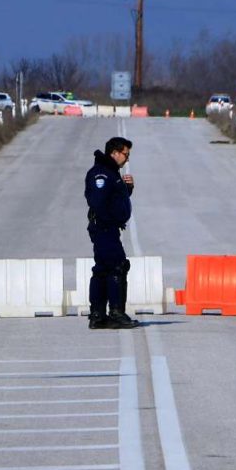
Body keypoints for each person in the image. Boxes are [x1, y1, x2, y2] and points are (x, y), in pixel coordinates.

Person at [85, 137, 140, 330]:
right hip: (104, 228)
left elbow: (114, 199)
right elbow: (99, 203)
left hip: (108, 228)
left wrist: (127, 189)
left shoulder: (111, 173)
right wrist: (110, 222)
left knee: (103, 269)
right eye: (125, 154)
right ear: (114, 153)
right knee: (118, 266)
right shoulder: (101, 174)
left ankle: (98, 316)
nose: (127, 159)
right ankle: (116, 312)